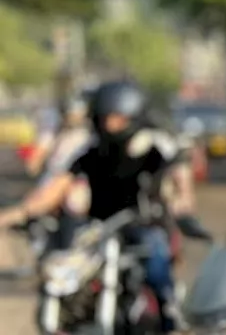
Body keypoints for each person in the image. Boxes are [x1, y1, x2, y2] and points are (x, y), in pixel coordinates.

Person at [0, 80, 199, 333]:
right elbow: (56, 187)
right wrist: (19, 212)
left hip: (141, 225)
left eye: (117, 118)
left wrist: (182, 205)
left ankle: (169, 308)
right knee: (66, 268)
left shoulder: (153, 150)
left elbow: (180, 177)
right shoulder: (92, 152)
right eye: (105, 118)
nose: (110, 125)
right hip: (98, 230)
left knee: (155, 256)